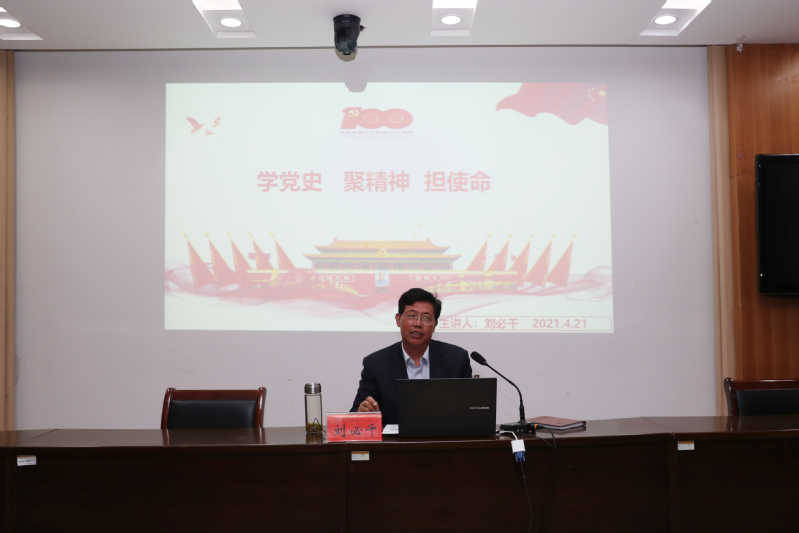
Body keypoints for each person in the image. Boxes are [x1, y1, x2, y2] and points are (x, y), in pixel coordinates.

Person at [350, 287, 472, 424]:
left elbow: (471, 410)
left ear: (435, 325)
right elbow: (356, 413)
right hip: (394, 438)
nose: (418, 324)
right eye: (412, 316)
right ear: (398, 320)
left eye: (426, 318)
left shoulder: (457, 359)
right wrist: (362, 411)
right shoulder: (376, 364)